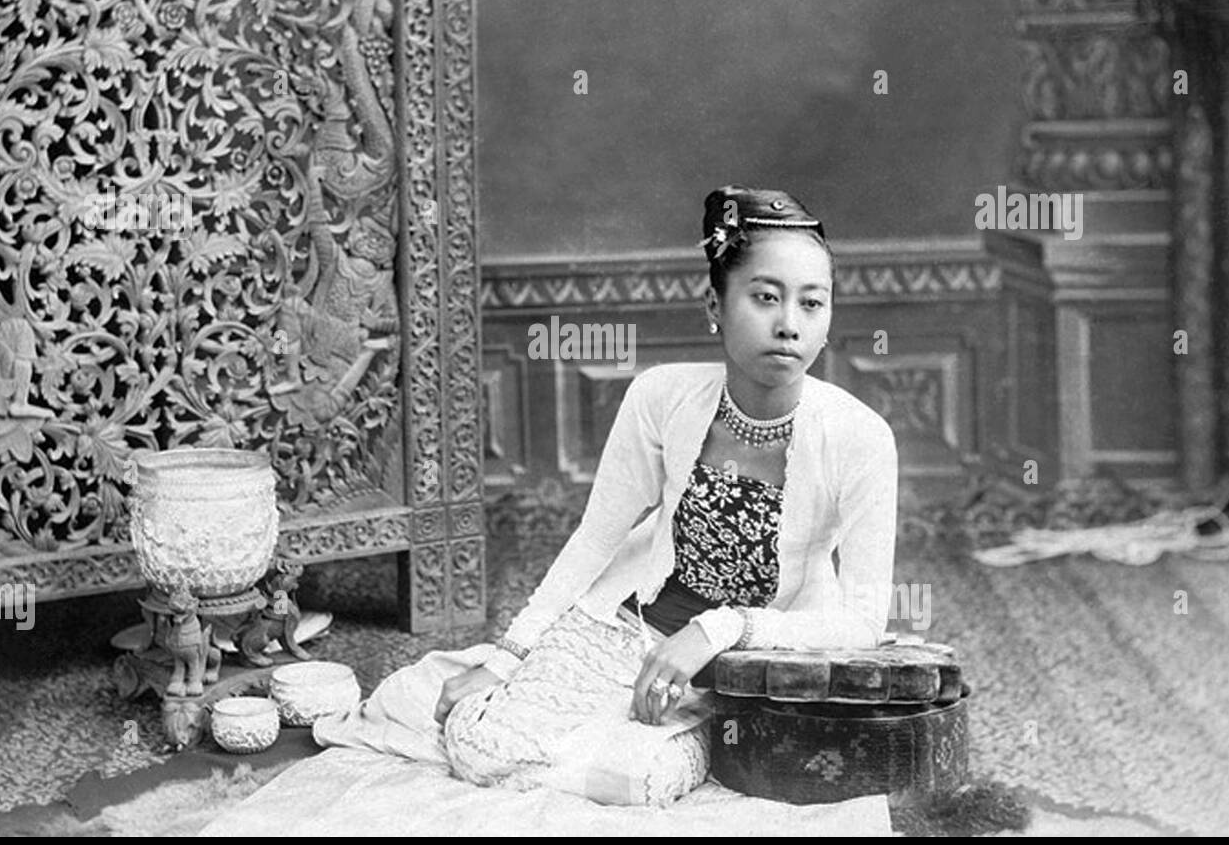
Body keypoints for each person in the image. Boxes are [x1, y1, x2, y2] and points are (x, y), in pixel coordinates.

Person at [313, 184, 898, 808]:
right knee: (477, 743)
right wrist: (509, 658)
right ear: (716, 306)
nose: (789, 324)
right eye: (764, 297)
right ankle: (565, 722)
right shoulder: (661, 398)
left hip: (748, 663)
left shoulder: (860, 438)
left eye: (812, 303)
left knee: (633, 779)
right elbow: (596, 538)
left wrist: (721, 628)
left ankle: (652, 746)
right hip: (625, 626)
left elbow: (863, 621)